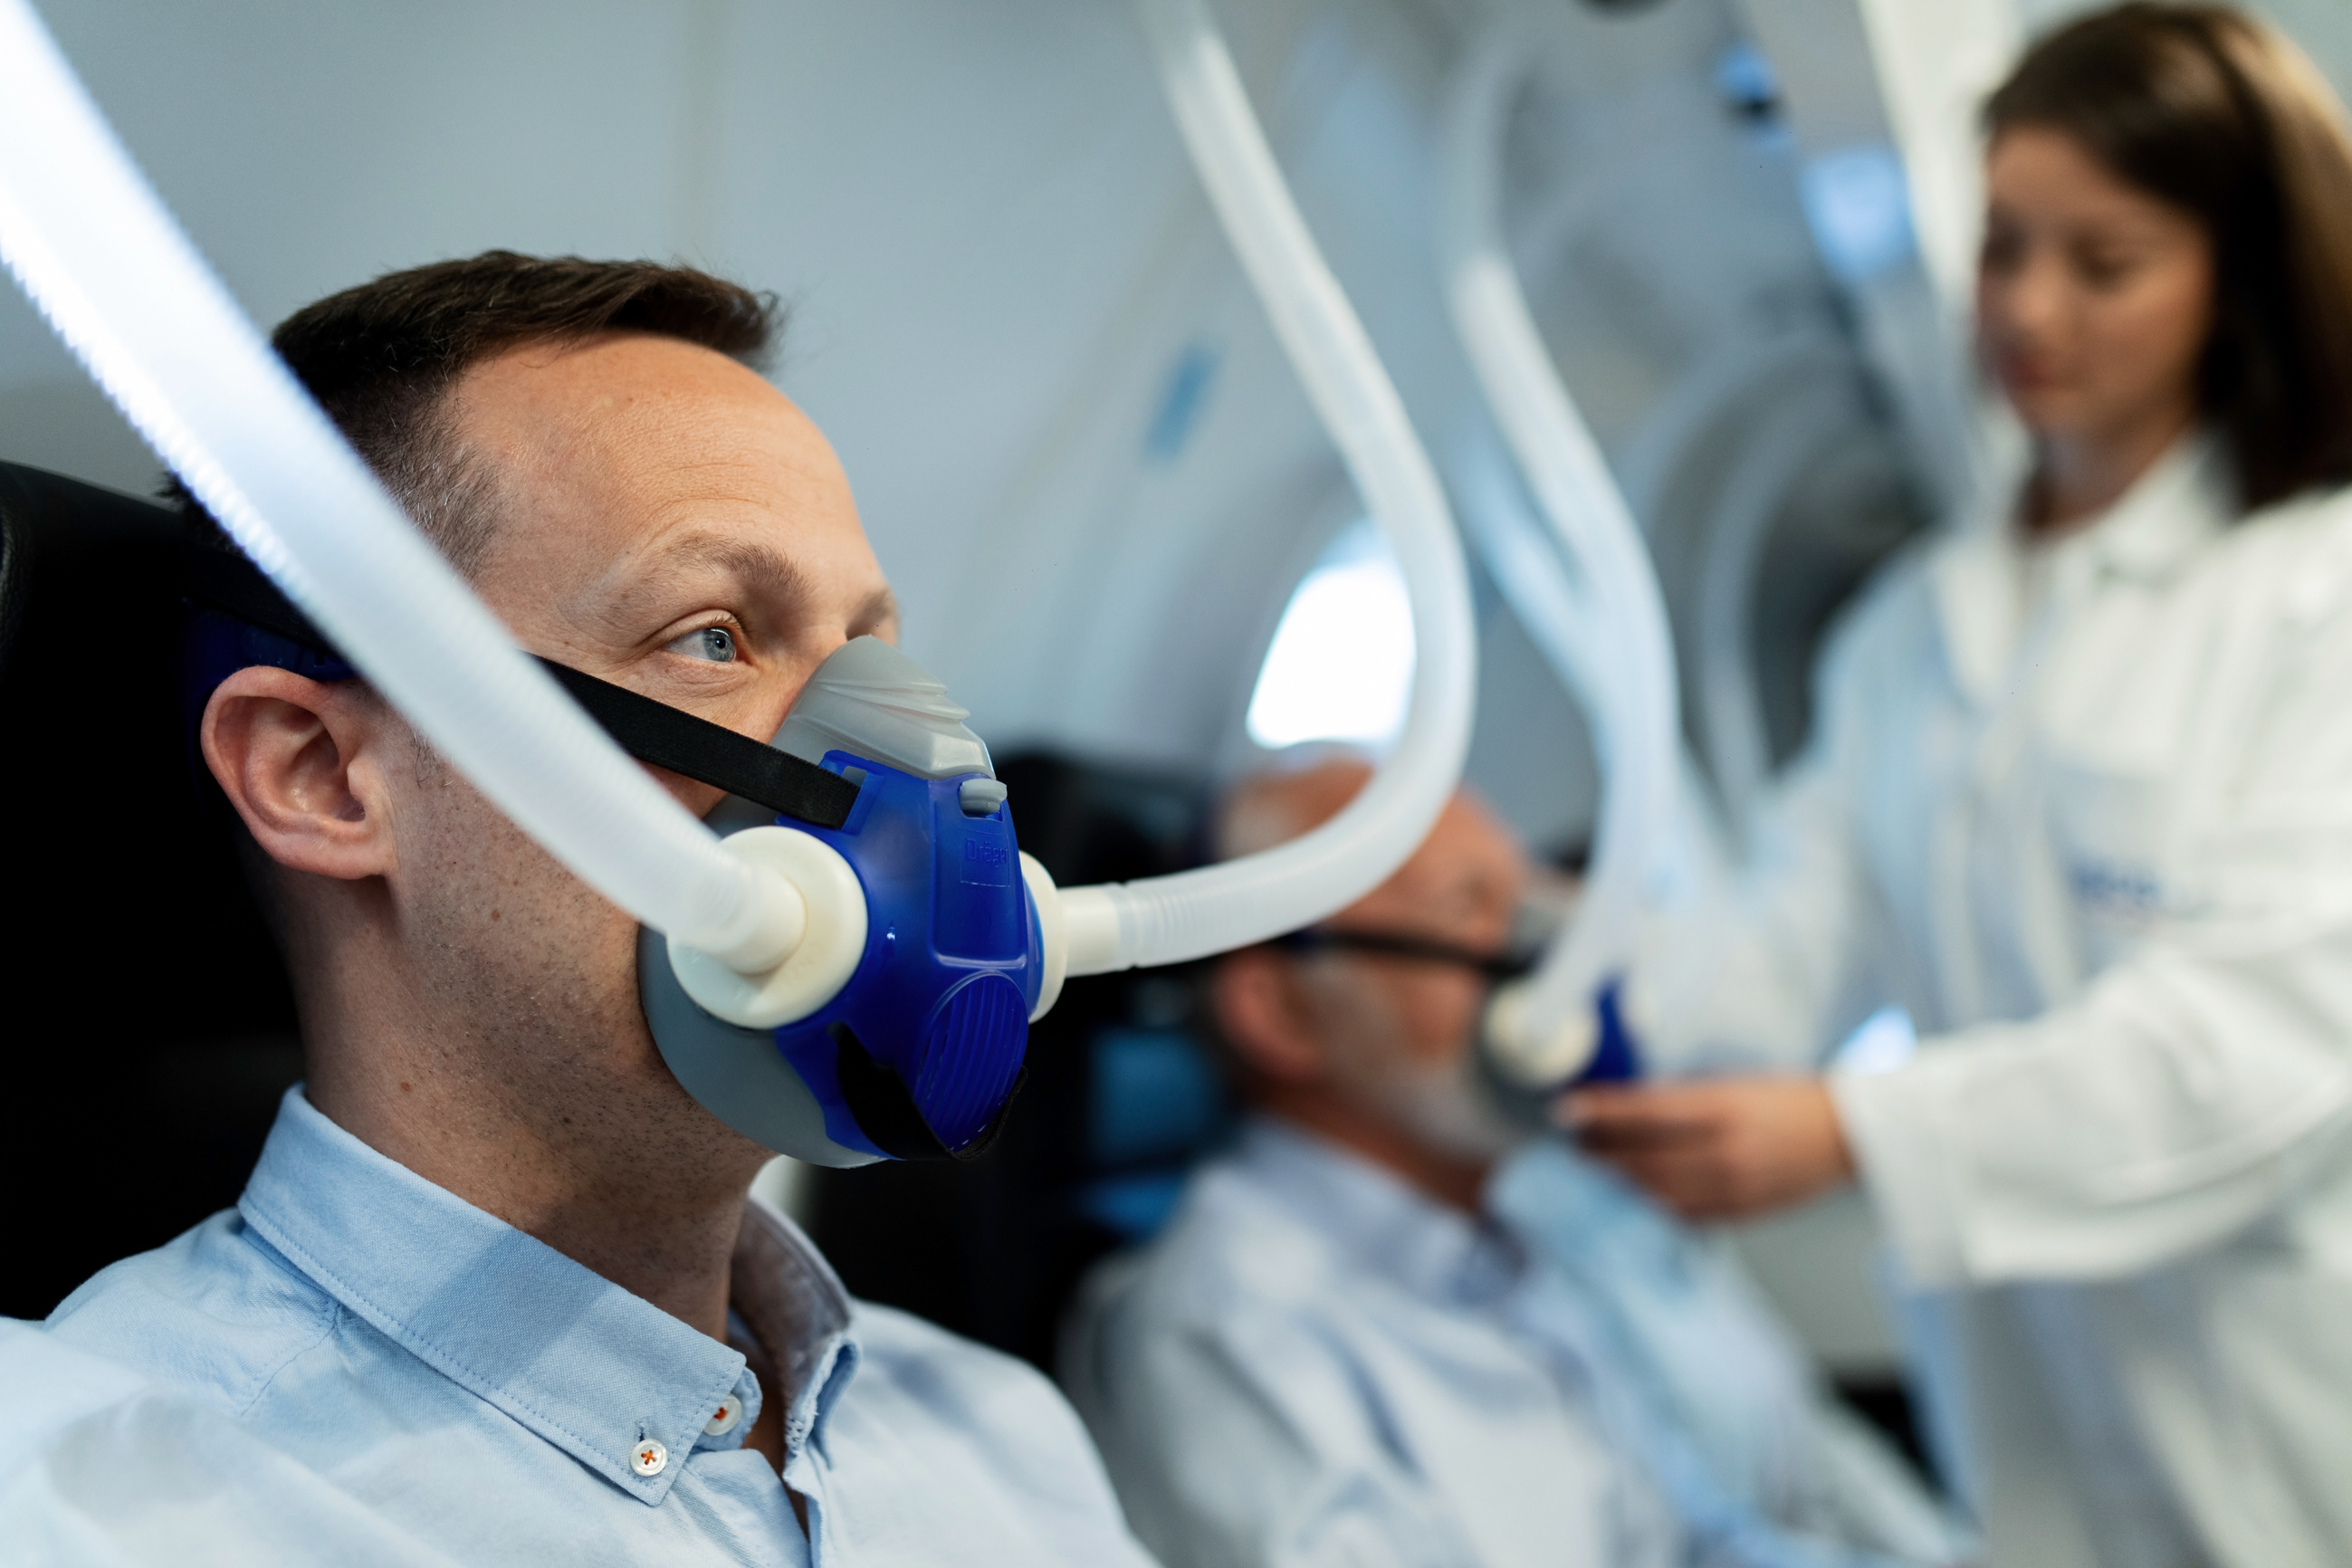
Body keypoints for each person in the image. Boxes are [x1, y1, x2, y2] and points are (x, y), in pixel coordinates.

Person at [5, 253, 1153, 1566]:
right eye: (713, 636)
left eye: (872, 653)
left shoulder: (1005, 1442)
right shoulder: (88, 1504)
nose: (906, 763)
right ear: (323, 777)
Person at [1567, 8, 2352, 1565]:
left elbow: (2263, 1042)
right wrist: (1548, 950)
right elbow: (1777, 952)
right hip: (2032, 1440)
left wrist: (1861, 1134)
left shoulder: (2312, 597)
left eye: (2101, 261)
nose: (2025, 310)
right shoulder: (1906, 636)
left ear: (2236, 281)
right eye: (1999, 248)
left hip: (2282, 1400)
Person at [1062, 755, 1963, 1568]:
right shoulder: (1227, 1334)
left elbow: (1696, 1543)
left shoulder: (1506, 1249)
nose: (1543, 965)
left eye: (1522, 907)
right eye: (1468, 907)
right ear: (1283, 1012)